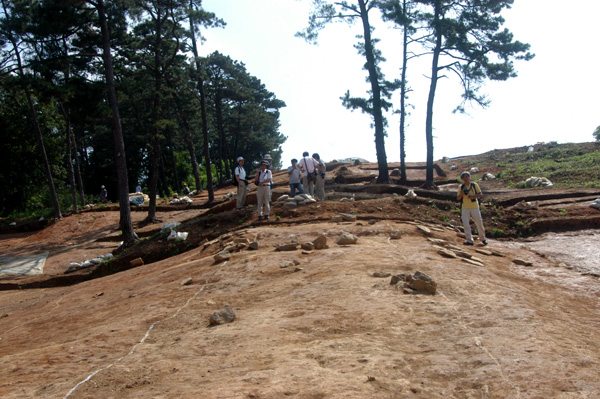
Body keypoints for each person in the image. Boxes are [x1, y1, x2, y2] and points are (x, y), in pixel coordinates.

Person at [457, 171, 488, 246]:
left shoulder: (474, 185)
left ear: (469, 177)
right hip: (465, 207)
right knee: (466, 224)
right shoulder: (461, 187)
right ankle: (469, 240)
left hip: (474, 207)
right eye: (464, 177)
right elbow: (458, 198)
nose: (466, 178)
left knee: (479, 222)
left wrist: (472, 196)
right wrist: (462, 193)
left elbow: (480, 194)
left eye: (467, 176)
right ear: (462, 179)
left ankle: (483, 238)